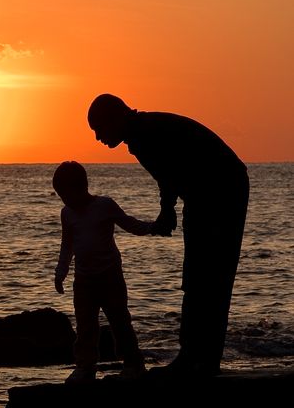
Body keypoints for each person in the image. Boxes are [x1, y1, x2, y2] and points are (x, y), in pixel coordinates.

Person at [87, 94, 249, 377]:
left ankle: (200, 359)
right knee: (200, 276)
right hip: (206, 192)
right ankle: (197, 357)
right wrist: (168, 210)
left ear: (115, 118)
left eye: (99, 129)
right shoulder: (141, 133)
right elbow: (168, 174)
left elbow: (170, 169)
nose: (99, 138)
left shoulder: (145, 134)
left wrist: (166, 212)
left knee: (210, 276)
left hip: (222, 188)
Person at [53, 160, 154, 382]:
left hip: (110, 276)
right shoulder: (67, 213)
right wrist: (60, 274)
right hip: (84, 280)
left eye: (66, 194)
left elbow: (130, 224)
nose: (65, 200)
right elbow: (67, 245)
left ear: (81, 187)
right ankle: (85, 367)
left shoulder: (105, 205)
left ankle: (134, 364)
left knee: (120, 321)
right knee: (85, 326)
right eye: (60, 196)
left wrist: (153, 228)